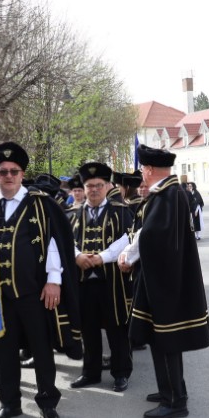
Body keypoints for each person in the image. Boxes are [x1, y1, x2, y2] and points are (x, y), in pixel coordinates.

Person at [0, 141, 81, 418]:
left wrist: (54, 281)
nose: (8, 176)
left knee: (41, 350)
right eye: (2, 171)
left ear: (22, 173)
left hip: (33, 293)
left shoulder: (39, 204)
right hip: (0, 296)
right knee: (5, 351)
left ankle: (47, 401)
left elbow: (54, 243)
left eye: (14, 171)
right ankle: (10, 404)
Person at [119, 145, 209, 418]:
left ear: (148, 170)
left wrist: (128, 256)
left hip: (167, 284)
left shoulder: (169, 195)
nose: (141, 175)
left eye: (142, 170)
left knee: (166, 340)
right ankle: (169, 390)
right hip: (162, 279)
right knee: (159, 339)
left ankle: (175, 400)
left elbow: (151, 236)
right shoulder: (168, 193)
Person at [70, 162, 134, 393]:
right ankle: (90, 372)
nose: (94, 189)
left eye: (98, 185)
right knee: (88, 329)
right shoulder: (72, 215)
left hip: (112, 281)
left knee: (117, 328)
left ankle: (121, 373)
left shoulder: (121, 211)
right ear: (84, 187)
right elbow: (63, 241)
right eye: (89, 185)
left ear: (107, 186)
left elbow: (128, 238)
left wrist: (102, 257)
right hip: (83, 281)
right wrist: (77, 256)